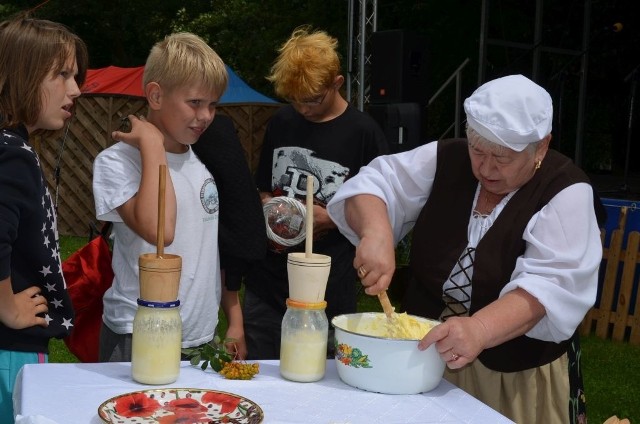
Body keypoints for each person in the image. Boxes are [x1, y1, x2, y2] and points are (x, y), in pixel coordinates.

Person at [327, 74, 606, 424]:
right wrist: (376, 233)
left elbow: (549, 286)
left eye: (502, 158)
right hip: (422, 363)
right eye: (478, 150)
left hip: (511, 379)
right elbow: (374, 185)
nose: (486, 168)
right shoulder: (448, 158)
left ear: (542, 146)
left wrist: (480, 330)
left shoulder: (566, 191)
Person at [92, 32, 248, 362]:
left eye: (213, 104)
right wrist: (152, 146)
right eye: (195, 102)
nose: (206, 116)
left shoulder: (200, 161)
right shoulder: (116, 162)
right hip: (140, 335)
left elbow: (207, 248)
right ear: (156, 96)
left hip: (200, 336)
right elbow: (160, 230)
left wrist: (232, 318)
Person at [243, 25, 389, 359]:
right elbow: (265, 186)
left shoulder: (363, 133)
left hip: (327, 292)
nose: (303, 109)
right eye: (295, 101)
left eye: (312, 100)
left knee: (317, 384)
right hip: (267, 286)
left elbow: (383, 211)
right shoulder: (282, 122)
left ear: (337, 83)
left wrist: (335, 218)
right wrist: (269, 206)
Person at [0, 15, 88, 422]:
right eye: (62, 74)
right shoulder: (11, 154)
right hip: (9, 351)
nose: (76, 89)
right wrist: (7, 307)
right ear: (23, 73)